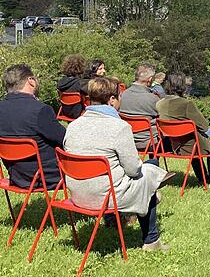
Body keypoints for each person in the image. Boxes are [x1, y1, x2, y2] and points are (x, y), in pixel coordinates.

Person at [64, 76, 171, 251]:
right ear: (112, 100)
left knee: (148, 168)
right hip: (106, 197)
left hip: (77, 194)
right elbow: (134, 169)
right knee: (148, 175)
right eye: (120, 96)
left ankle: (149, 194)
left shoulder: (73, 126)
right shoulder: (119, 127)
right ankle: (152, 241)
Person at [156, 73, 210, 185]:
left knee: (208, 135)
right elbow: (204, 126)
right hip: (190, 146)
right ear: (183, 86)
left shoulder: (159, 104)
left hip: (171, 144)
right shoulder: (186, 104)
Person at [0, 64, 66, 189]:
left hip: (16, 176)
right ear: (30, 81)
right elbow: (65, 139)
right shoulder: (41, 110)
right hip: (47, 176)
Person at [120, 63, 161, 152]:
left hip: (127, 140)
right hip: (149, 142)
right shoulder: (153, 99)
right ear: (150, 80)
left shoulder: (123, 95)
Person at [56, 53, 89, 120]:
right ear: (81, 67)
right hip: (78, 113)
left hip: (65, 112)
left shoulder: (60, 82)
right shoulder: (80, 83)